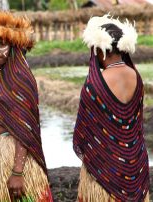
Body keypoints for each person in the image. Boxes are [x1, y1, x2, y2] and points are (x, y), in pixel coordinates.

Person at [0, 10, 53, 202]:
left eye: (1, 44)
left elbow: (25, 128)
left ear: (12, 46)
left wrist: (17, 172)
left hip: (10, 157)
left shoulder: (21, 79)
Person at [73, 15, 149, 201]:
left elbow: (85, 130)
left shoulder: (95, 84)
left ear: (100, 49)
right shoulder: (136, 77)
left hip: (104, 168)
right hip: (135, 163)